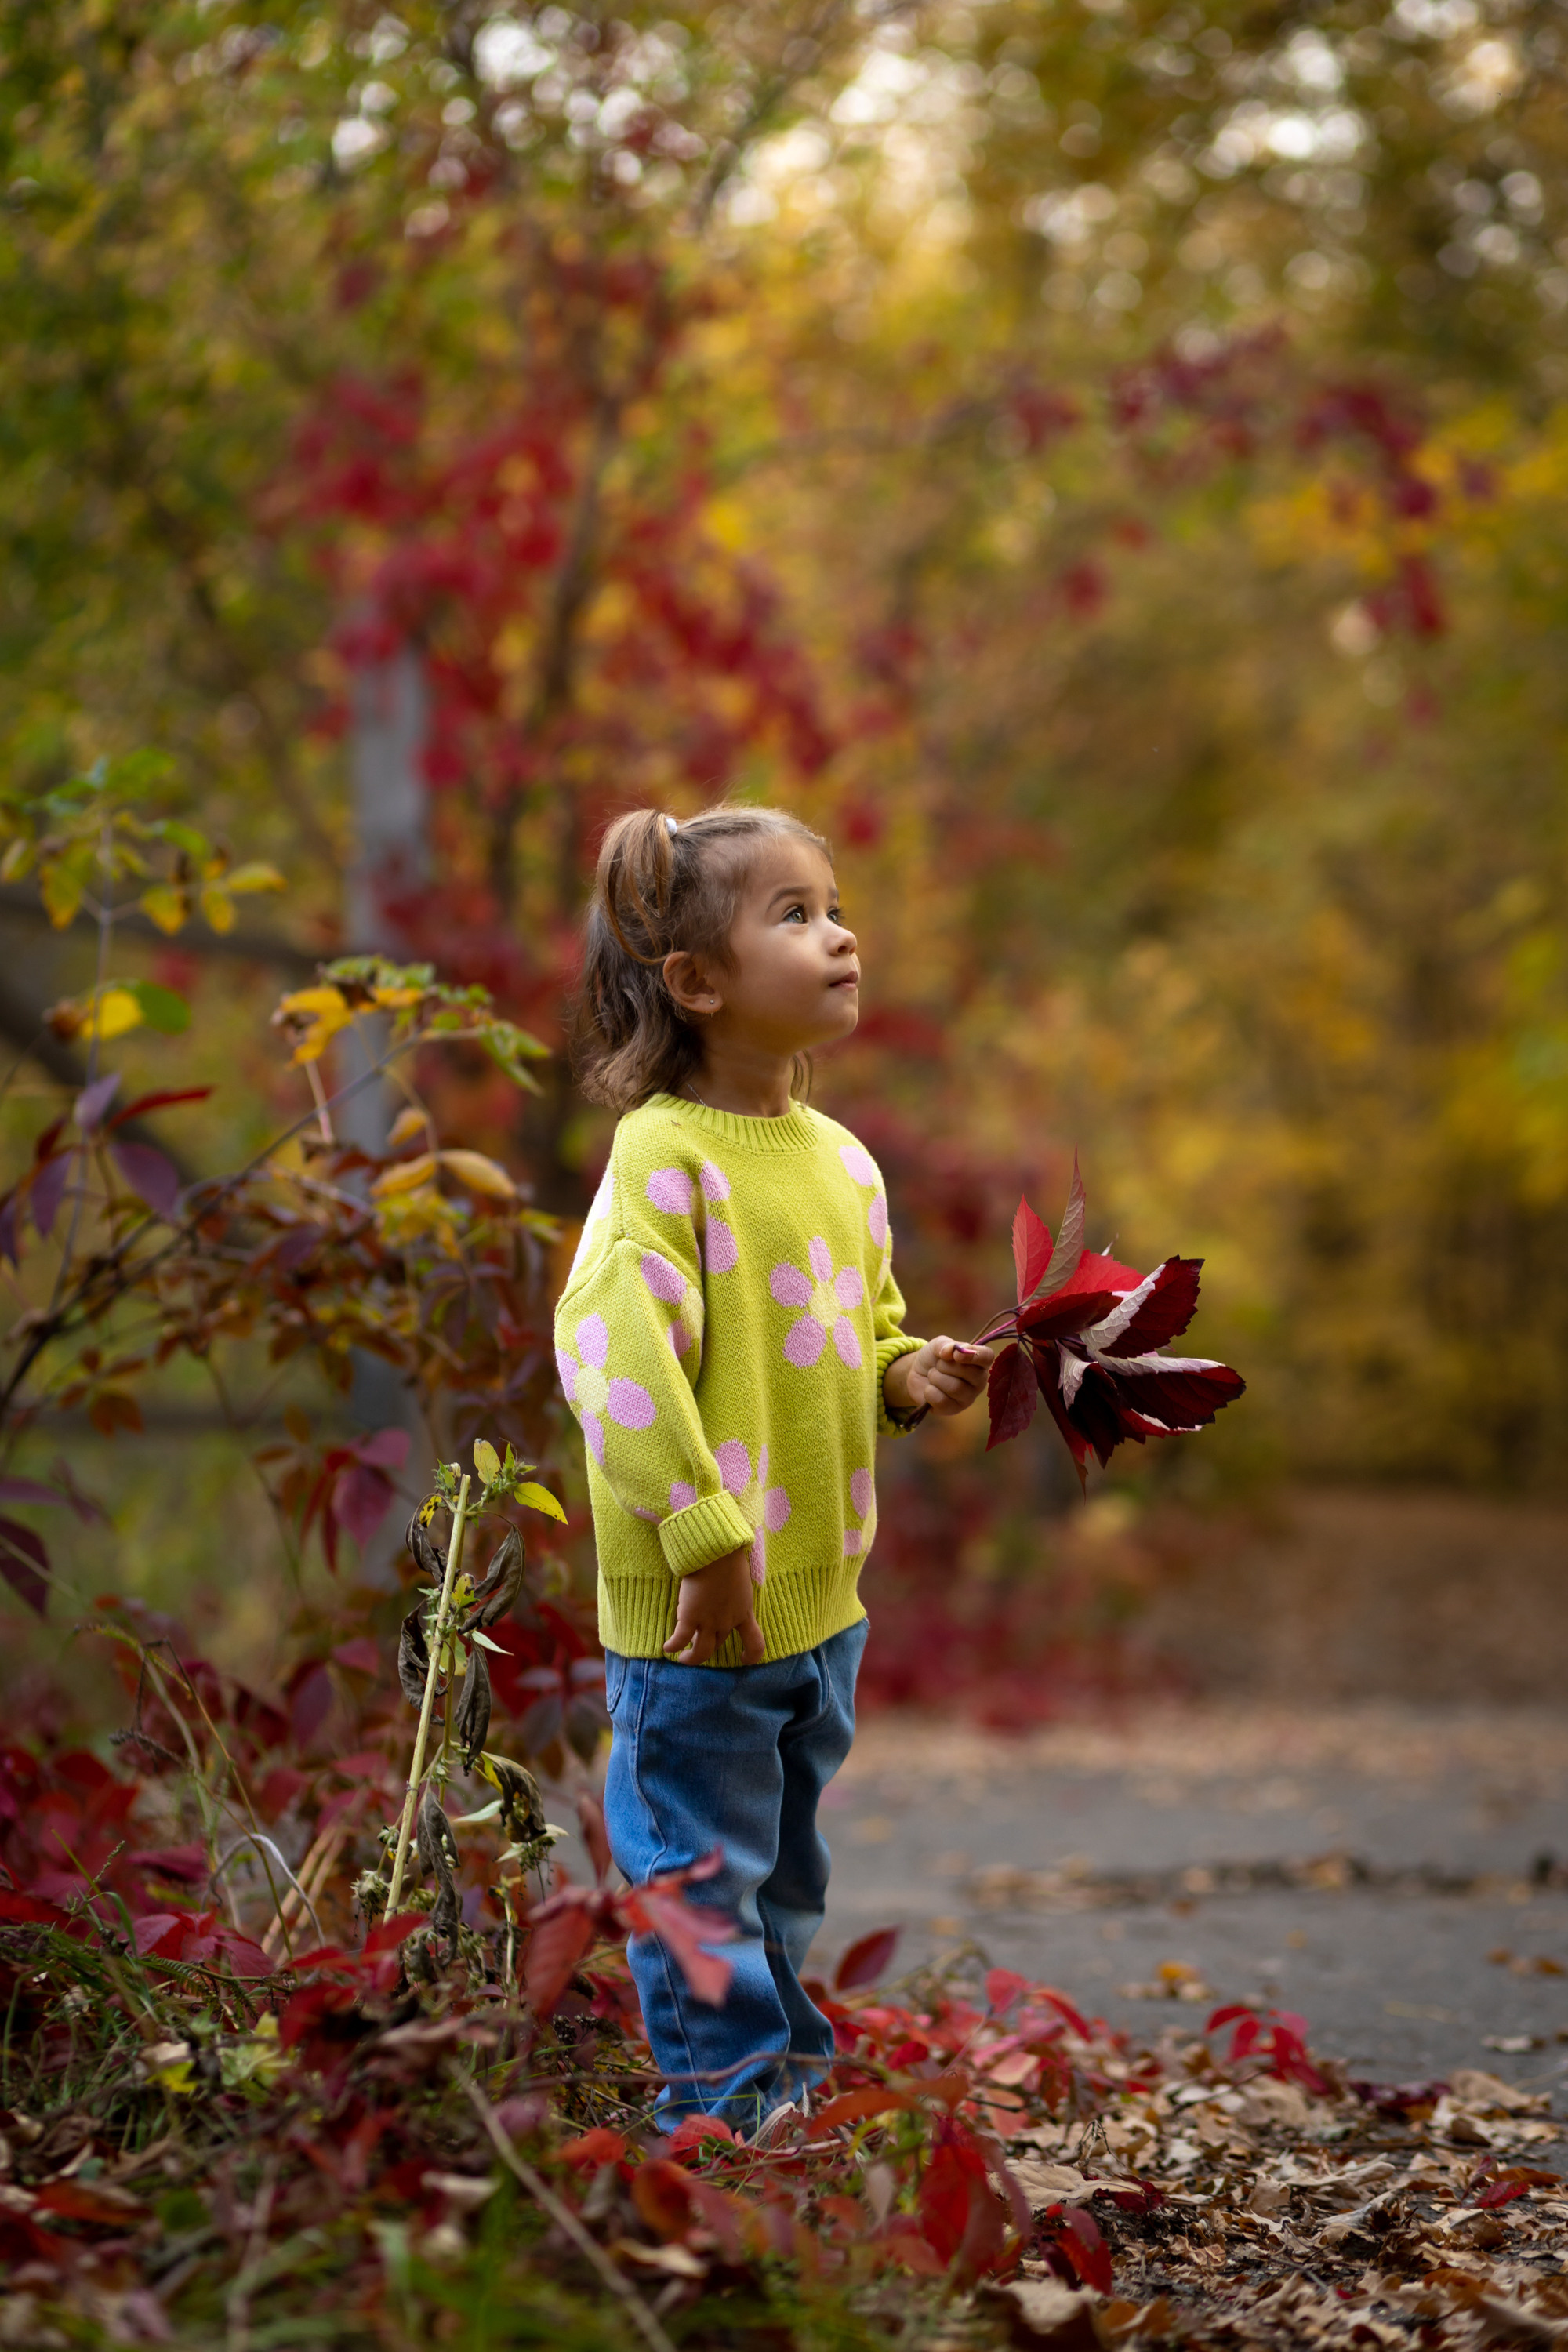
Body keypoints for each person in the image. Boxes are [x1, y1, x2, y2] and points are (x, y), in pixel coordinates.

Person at [555, 804, 993, 2140]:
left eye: (836, 906)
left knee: (785, 1881)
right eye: (794, 915)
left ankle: (783, 2100)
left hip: (817, 1600)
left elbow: (855, 1338)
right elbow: (613, 1361)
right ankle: (719, 2120)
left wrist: (910, 1375)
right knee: (699, 1883)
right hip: (702, 1616)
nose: (840, 935)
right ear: (697, 982)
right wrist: (703, 1535)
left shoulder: (841, 1163)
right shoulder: (663, 1157)